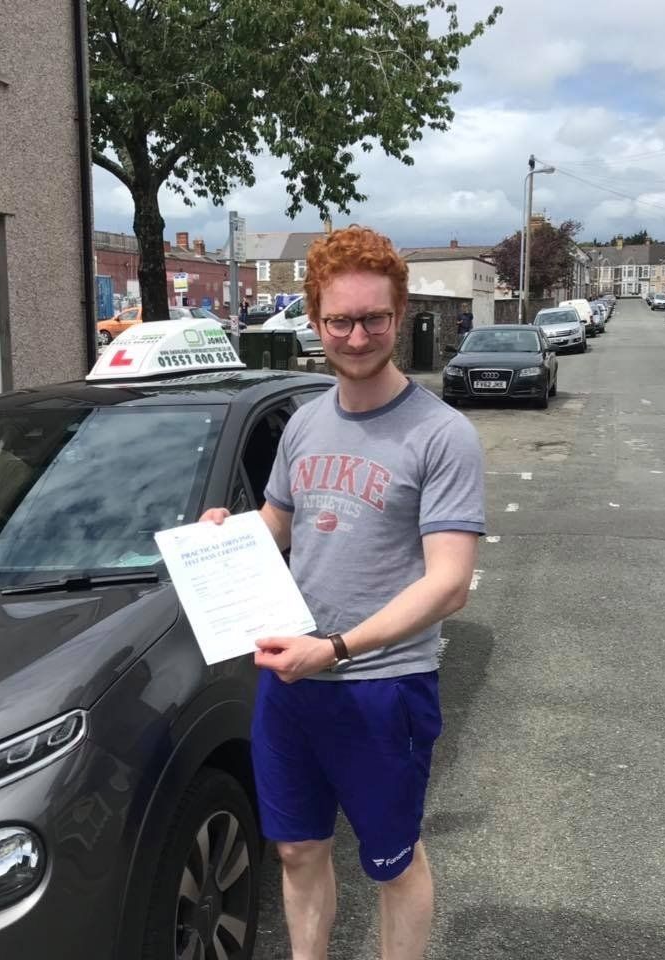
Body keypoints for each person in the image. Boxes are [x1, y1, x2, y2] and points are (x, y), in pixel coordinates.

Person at [199, 225, 485, 960]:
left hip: (382, 687)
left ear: (399, 314)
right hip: (294, 680)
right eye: (339, 320)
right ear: (315, 320)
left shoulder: (441, 434)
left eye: (374, 318)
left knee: (393, 862)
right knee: (296, 852)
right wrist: (225, 535)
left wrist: (337, 648)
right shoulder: (303, 423)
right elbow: (278, 526)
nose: (357, 336)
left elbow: (449, 584)